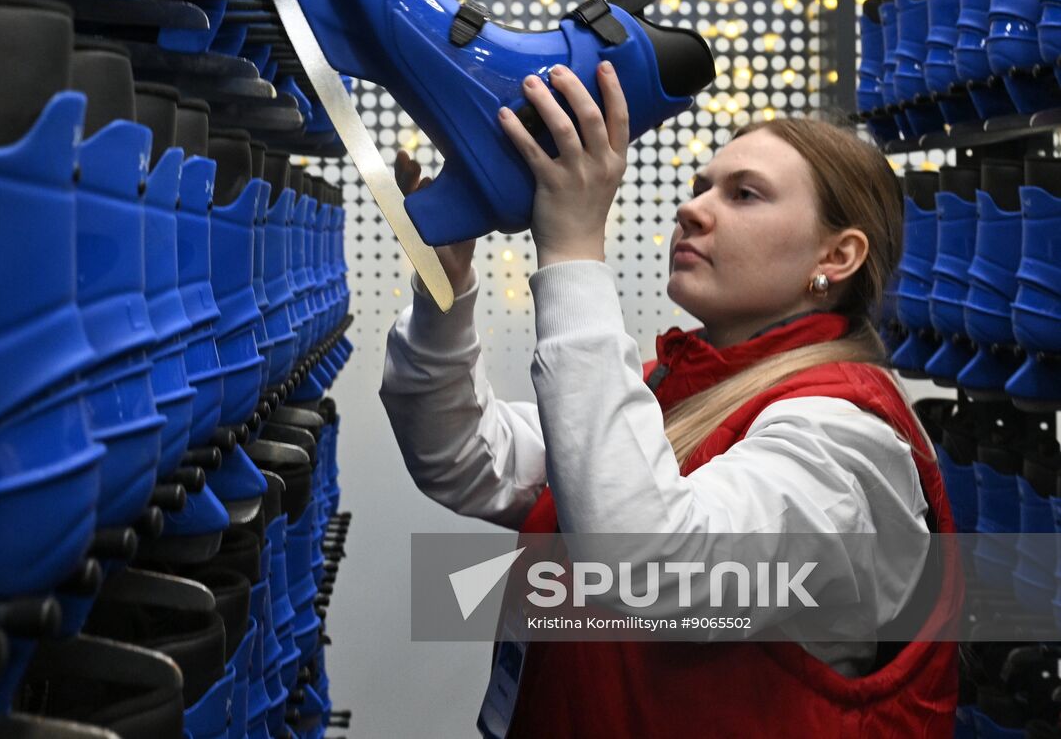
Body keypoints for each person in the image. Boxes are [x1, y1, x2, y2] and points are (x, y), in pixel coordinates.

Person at [381, 62, 961, 737]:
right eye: (699, 187)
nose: (692, 207)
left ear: (837, 255)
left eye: (744, 194)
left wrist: (572, 250)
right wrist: (443, 292)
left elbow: (656, 568)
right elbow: (466, 459)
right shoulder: (680, 385)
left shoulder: (848, 441)